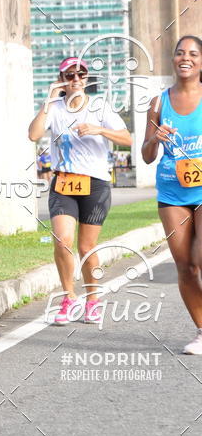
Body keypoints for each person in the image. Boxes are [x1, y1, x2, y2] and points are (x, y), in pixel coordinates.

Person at [28, 56, 132, 324]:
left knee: (87, 246)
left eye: (80, 75)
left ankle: (93, 300)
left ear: (86, 79)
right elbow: (33, 134)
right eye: (69, 76)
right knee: (62, 240)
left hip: (94, 184)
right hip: (63, 183)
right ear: (62, 80)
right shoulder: (54, 107)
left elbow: (127, 139)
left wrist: (99, 129)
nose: (75, 80)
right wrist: (49, 99)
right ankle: (68, 298)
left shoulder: (100, 107)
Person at [141, 35, 202, 354]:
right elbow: (146, 154)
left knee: (200, 257)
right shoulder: (159, 102)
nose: (185, 58)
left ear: (201, 61)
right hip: (172, 192)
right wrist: (156, 139)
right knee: (185, 267)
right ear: (174, 60)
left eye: (193, 53)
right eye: (180, 53)